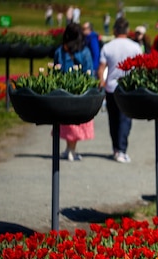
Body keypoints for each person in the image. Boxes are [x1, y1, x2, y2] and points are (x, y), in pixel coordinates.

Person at [98, 17, 142, 164]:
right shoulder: (135, 47)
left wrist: (102, 82)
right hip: (128, 88)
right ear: (128, 30)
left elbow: (101, 69)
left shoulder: (107, 47)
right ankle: (121, 150)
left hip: (111, 87)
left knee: (113, 119)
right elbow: (140, 68)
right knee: (125, 120)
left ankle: (116, 148)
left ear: (115, 30)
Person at [53, 23, 96, 161]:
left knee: (66, 123)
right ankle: (71, 150)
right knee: (75, 123)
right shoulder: (84, 51)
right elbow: (89, 72)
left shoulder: (60, 50)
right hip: (79, 91)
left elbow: (55, 71)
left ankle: (69, 149)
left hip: (63, 91)